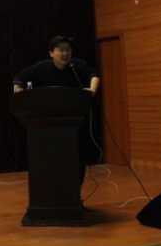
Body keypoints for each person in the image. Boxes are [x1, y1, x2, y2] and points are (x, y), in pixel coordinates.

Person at [12, 35, 101, 193]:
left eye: (68, 50)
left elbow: (93, 75)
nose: (65, 53)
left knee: (78, 159)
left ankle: (74, 195)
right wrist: (19, 91)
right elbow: (19, 79)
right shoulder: (42, 67)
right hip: (48, 126)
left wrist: (92, 90)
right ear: (51, 53)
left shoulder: (76, 66)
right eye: (61, 50)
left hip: (74, 124)